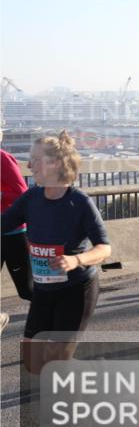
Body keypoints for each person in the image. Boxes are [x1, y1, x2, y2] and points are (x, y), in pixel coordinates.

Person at [2, 132, 111, 374]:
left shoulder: (79, 202)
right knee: (33, 364)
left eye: (35, 160)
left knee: (57, 365)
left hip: (76, 290)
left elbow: (105, 247)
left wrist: (76, 260)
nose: (29, 165)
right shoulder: (31, 198)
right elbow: (4, 223)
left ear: (55, 163)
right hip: (44, 289)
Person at [1, 138, 33, 301]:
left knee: (27, 290)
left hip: (12, 233)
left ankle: (57, 313)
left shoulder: (3, 158)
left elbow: (22, 193)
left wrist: (1, 195)